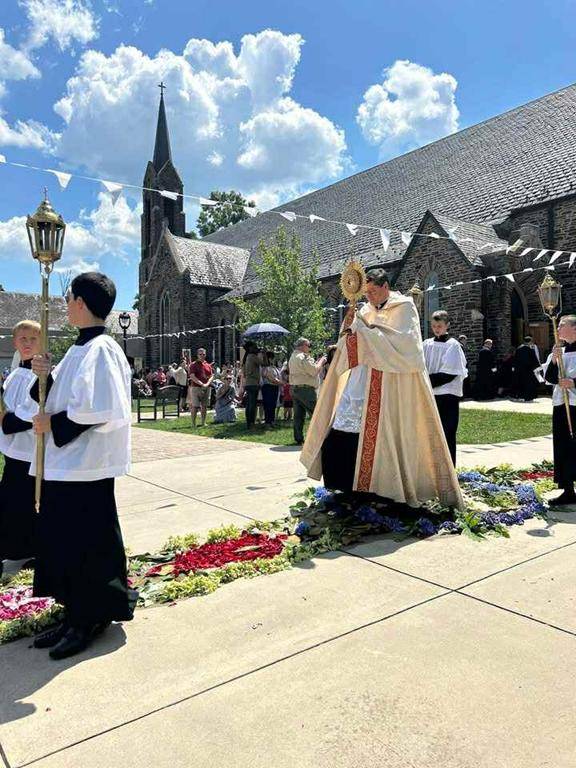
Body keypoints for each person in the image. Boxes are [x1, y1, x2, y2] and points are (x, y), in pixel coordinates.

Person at [30, 272, 135, 660]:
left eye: (69, 297)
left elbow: (98, 408)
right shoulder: (78, 349)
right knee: (65, 542)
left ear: (80, 303)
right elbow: (51, 395)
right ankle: (73, 609)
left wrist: (51, 424)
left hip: (86, 466)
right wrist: (41, 374)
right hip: (65, 465)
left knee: (88, 543)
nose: (65, 303)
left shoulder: (103, 349)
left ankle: (90, 616)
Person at [301, 268, 463, 509]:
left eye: (374, 292)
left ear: (386, 286)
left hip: (391, 383)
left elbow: (405, 347)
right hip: (360, 379)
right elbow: (350, 342)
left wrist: (364, 332)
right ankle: (348, 487)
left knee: (383, 437)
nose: (369, 298)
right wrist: (350, 326)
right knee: (342, 430)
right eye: (366, 293)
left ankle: (384, 490)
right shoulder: (365, 309)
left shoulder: (405, 306)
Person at [0, 320, 41, 575]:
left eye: (33, 339)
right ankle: (15, 550)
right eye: (22, 339)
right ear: (15, 342)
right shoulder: (14, 374)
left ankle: (27, 551)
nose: (27, 344)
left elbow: (25, 418)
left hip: (29, 452)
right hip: (12, 452)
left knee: (26, 505)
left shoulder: (42, 375)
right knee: (11, 504)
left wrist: (5, 419)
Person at [423, 310, 468, 465]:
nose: (436, 329)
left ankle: (448, 472)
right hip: (430, 395)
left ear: (447, 325)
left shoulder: (453, 345)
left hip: (447, 396)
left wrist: (426, 381)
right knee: (430, 433)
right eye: (434, 326)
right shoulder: (427, 344)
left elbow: (450, 373)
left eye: (440, 326)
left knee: (447, 432)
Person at [543, 315, 576, 505]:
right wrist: (555, 361)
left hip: (575, 404)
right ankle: (568, 489)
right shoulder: (558, 351)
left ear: (574, 329)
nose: (558, 329)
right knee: (563, 445)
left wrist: (573, 382)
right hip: (561, 405)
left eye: (562, 326)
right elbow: (549, 378)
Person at [288, 339, 326, 445]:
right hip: (306, 390)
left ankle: (299, 438)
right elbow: (314, 371)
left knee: (298, 416)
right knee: (316, 414)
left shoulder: (293, 357)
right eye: (309, 345)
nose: (310, 348)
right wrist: (321, 361)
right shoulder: (303, 357)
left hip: (295, 388)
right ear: (304, 345)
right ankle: (320, 438)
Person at [187, 348, 213, 427]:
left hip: (207, 388)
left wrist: (207, 384)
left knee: (204, 406)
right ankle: (193, 423)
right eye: (200, 354)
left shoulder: (208, 365)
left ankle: (203, 422)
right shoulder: (193, 365)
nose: (202, 356)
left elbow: (211, 376)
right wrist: (202, 384)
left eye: (203, 354)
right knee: (195, 406)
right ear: (197, 355)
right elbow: (192, 376)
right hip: (196, 388)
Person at [240, 341, 262, 429]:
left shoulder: (246, 358)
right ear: (250, 348)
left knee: (249, 404)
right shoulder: (252, 357)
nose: (256, 348)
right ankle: (251, 423)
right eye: (255, 347)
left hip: (248, 383)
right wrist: (263, 354)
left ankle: (249, 422)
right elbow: (263, 363)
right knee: (252, 404)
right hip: (253, 383)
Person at [512, 336, 541, 401]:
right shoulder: (531, 350)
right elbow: (534, 360)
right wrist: (538, 368)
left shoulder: (518, 350)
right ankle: (528, 397)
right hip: (528, 370)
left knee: (520, 383)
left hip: (520, 370)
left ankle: (520, 396)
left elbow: (515, 359)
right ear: (530, 342)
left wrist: (514, 368)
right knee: (528, 384)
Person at [261, 351, 282, 426]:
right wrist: (282, 383)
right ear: (270, 359)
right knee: (268, 405)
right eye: (273, 358)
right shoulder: (265, 368)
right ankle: (268, 421)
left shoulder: (274, 367)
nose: (274, 360)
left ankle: (272, 421)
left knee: (273, 405)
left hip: (275, 387)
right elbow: (271, 378)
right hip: (268, 387)